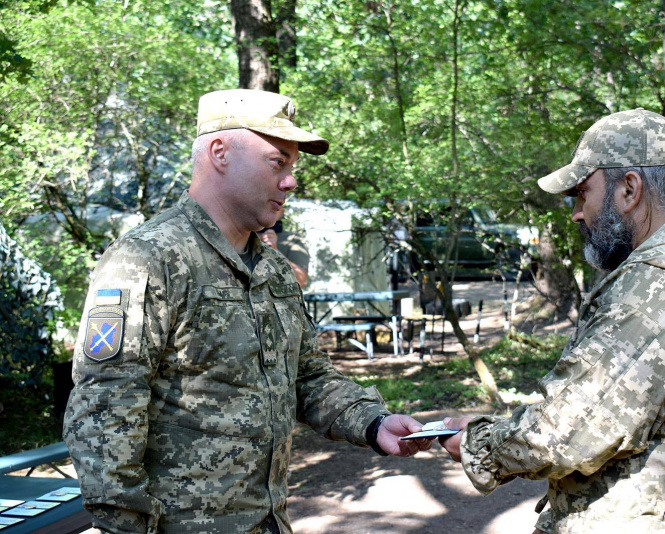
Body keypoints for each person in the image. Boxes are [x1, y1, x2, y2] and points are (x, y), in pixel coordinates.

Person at [64, 89, 431, 534]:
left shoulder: (274, 271)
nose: (291, 181)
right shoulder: (148, 258)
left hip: (269, 522)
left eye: (293, 167)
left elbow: (309, 378)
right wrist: (127, 527)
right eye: (278, 162)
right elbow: (105, 410)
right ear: (219, 152)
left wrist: (374, 422)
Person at [439, 109, 665, 533]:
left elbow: (567, 429)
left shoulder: (659, 287)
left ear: (629, 189)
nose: (577, 213)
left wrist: (478, 443)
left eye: (583, 193)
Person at [258, 218, 310, 289]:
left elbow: (300, 281)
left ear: (282, 210)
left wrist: (274, 251)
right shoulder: (241, 234)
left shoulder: (293, 239)